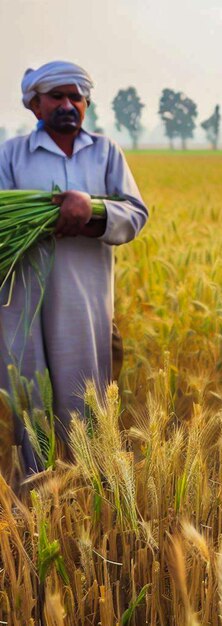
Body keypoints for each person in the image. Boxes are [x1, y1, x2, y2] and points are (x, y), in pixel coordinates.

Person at [0, 61, 148, 473]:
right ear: (35, 105)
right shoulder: (11, 154)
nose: (68, 104)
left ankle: (92, 493)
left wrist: (92, 209)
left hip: (87, 304)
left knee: (88, 404)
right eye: (56, 97)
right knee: (32, 408)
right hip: (24, 306)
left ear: (86, 102)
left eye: (76, 97)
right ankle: (37, 500)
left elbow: (135, 214)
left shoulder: (105, 152)